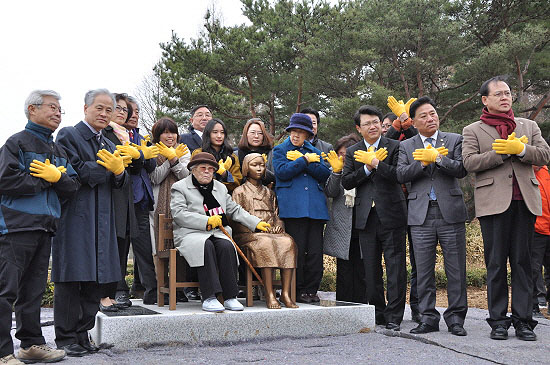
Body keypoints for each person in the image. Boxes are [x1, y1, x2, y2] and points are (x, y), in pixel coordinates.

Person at [462, 75, 550, 341]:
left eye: (507, 93)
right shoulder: (473, 130)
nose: (504, 97)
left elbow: (545, 155)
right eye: (498, 94)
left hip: (525, 202)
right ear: (485, 100)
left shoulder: (528, 125)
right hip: (493, 205)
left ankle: (524, 320)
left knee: (523, 264)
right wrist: (500, 153)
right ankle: (498, 321)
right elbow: (469, 162)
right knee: (496, 264)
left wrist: (521, 149)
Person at [0, 90, 78, 365]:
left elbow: (72, 186)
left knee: (32, 291)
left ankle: (31, 344)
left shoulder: (59, 150)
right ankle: (2, 352)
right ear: (32, 109)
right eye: (52, 107)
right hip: (16, 226)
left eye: (60, 109)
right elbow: (7, 181)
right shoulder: (16, 143)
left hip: (46, 227)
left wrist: (57, 178)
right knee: (6, 291)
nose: (58, 113)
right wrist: (50, 180)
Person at [53, 89, 130, 356]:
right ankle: (65, 338)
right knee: (72, 278)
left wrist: (120, 172)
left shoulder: (109, 144)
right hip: (76, 218)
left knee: (97, 280)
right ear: (85, 108)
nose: (104, 114)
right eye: (99, 108)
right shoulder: (68, 135)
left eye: (109, 110)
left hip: (103, 221)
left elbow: (122, 183)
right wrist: (108, 169)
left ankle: (83, 334)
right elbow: (76, 171)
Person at [396, 96, 469, 336]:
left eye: (433, 113)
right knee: (424, 270)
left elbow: (461, 169)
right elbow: (401, 174)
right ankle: (427, 318)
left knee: (456, 269)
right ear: (414, 123)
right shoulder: (407, 146)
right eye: (424, 116)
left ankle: (456, 318)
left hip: (451, 212)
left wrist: (438, 158)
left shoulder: (454, 139)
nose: (431, 118)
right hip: (420, 215)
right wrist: (424, 163)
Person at [170, 152, 270, 312]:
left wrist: (256, 222)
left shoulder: (220, 188)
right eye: (203, 168)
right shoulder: (180, 187)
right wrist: (206, 221)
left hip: (217, 232)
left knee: (226, 246)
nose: (207, 171)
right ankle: (209, 297)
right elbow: (179, 214)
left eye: (211, 169)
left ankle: (230, 296)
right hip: (191, 234)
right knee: (206, 246)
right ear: (193, 170)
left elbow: (234, 209)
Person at [341, 105, 407, 331]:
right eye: (367, 123)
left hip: (392, 214)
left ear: (381, 124)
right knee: (370, 269)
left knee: (396, 267)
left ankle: (394, 316)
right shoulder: (353, 152)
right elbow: (347, 181)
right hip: (366, 218)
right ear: (359, 128)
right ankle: (378, 312)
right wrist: (367, 169)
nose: (373, 126)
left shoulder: (395, 146)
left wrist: (378, 164)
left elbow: (399, 175)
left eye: (376, 122)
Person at [272, 113, 331, 303]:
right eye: (293, 131)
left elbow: (324, 174)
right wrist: (304, 161)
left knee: (314, 251)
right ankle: (293, 289)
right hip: (293, 207)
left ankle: (311, 290)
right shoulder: (280, 150)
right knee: (296, 250)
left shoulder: (314, 150)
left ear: (308, 135)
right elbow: (282, 172)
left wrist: (305, 159)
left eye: (301, 132)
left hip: (315, 208)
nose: (296, 135)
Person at [232, 153, 298, 309]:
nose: (259, 168)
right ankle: (269, 294)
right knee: (266, 243)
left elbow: (276, 214)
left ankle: (285, 293)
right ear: (247, 167)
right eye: (255, 165)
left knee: (288, 242)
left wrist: (278, 226)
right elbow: (234, 217)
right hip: (249, 235)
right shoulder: (239, 192)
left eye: (262, 165)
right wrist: (254, 227)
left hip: (271, 233)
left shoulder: (269, 193)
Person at [386, 96, 421, 323]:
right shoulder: (389, 137)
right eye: (388, 125)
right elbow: (387, 148)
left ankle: (418, 306)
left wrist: (406, 123)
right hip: (394, 205)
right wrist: (396, 125)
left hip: (416, 202)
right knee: (396, 259)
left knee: (419, 258)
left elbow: (415, 142)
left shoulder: (415, 135)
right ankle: (393, 308)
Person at [121, 96, 159, 305]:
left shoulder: (141, 137)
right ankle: (120, 289)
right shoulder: (114, 135)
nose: (134, 115)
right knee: (121, 246)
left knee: (144, 247)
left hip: (142, 198)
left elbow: (151, 165)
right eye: (130, 111)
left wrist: (143, 156)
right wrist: (140, 158)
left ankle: (150, 289)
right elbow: (132, 165)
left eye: (136, 111)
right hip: (122, 197)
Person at [322, 133, 367, 303]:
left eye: (348, 154)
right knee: (344, 270)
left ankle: (362, 305)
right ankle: (344, 305)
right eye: (341, 154)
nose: (345, 157)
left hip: (362, 224)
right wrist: (336, 172)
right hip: (343, 225)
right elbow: (331, 192)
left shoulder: (365, 169)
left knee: (363, 269)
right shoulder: (335, 170)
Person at [191, 118, 242, 193]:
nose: (219, 136)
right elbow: (193, 177)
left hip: (225, 196)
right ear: (208, 134)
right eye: (215, 132)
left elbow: (237, 182)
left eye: (222, 132)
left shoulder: (231, 156)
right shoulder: (199, 153)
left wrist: (225, 174)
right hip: (201, 195)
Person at [532, 164, 550, 317]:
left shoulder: (545, 173)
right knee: (532, 269)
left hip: (548, 228)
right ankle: (533, 306)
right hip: (535, 230)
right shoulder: (524, 174)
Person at [236, 118, 275, 185]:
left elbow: (275, 177)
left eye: (260, 133)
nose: (256, 136)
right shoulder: (237, 154)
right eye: (252, 133)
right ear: (246, 134)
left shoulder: (271, 153)